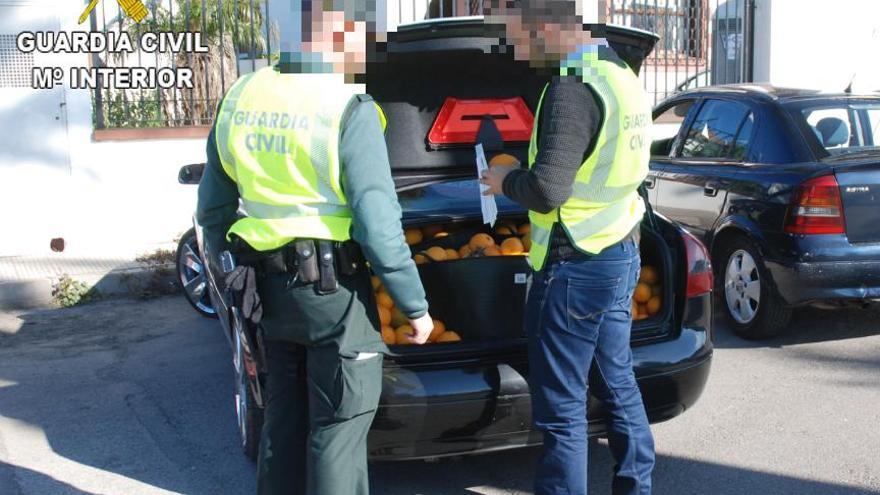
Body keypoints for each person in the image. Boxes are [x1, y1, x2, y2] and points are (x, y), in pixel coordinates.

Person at [196, 2, 434, 494]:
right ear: (339, 31)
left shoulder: (241, 96)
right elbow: (378, 223)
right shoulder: (346, 107)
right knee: (338, 429)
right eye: (366, 39)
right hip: (334, 298)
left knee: (283, 420)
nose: (367, 54)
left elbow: (213, 212)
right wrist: (415, 306)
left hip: (268, 293)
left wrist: (230, 281)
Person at [480, 1, 655, 494]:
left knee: (562, 413)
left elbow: (548, 190)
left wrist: (504, 179)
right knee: (618, 381)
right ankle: (636, 486)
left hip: (573, 265)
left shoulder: (571, 88)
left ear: (545, 26)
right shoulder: (618, 73)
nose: (514, 47)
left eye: (517, 34)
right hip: (619, 249)